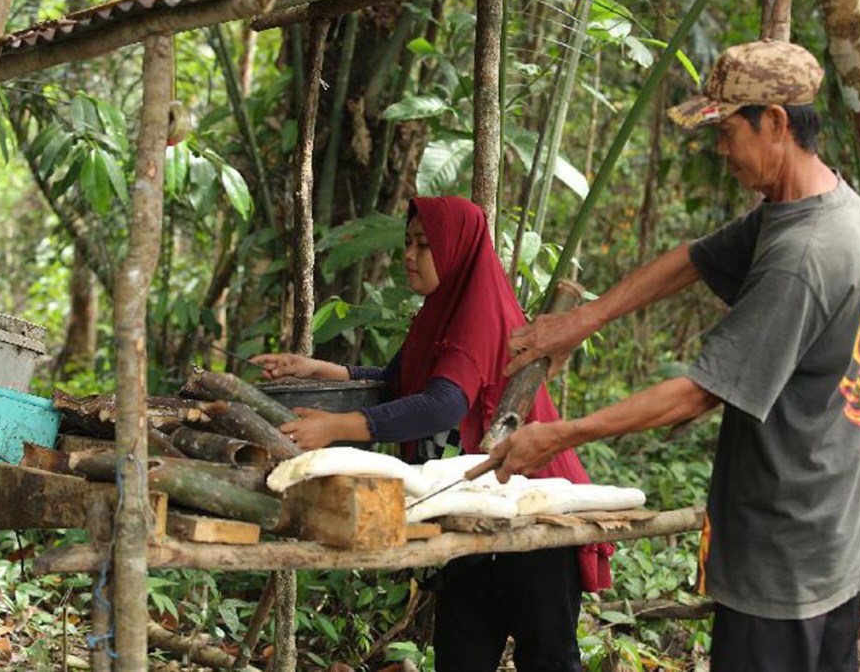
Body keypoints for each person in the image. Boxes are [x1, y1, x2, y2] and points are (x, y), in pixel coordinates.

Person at [491, 39, 860, 672]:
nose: (720, 150)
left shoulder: (803, 255)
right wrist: (579, 323)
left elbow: (701, 391)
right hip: (824, 518)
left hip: (788, 541)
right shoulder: (816, 203)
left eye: (727, 131)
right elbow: (697, 258)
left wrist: (559, 434)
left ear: (776, 123)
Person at [252, 196, 611, 672]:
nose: (408, 255)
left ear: (457, 248)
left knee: (547, 656)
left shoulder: (479, 315)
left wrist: (336, 428)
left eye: (424, 244)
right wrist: (318, 368)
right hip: (473, 504)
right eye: (407, 242)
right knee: (461, 655)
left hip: (534, 510)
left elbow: (445, 402)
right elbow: (402, 382)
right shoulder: (438, 313)